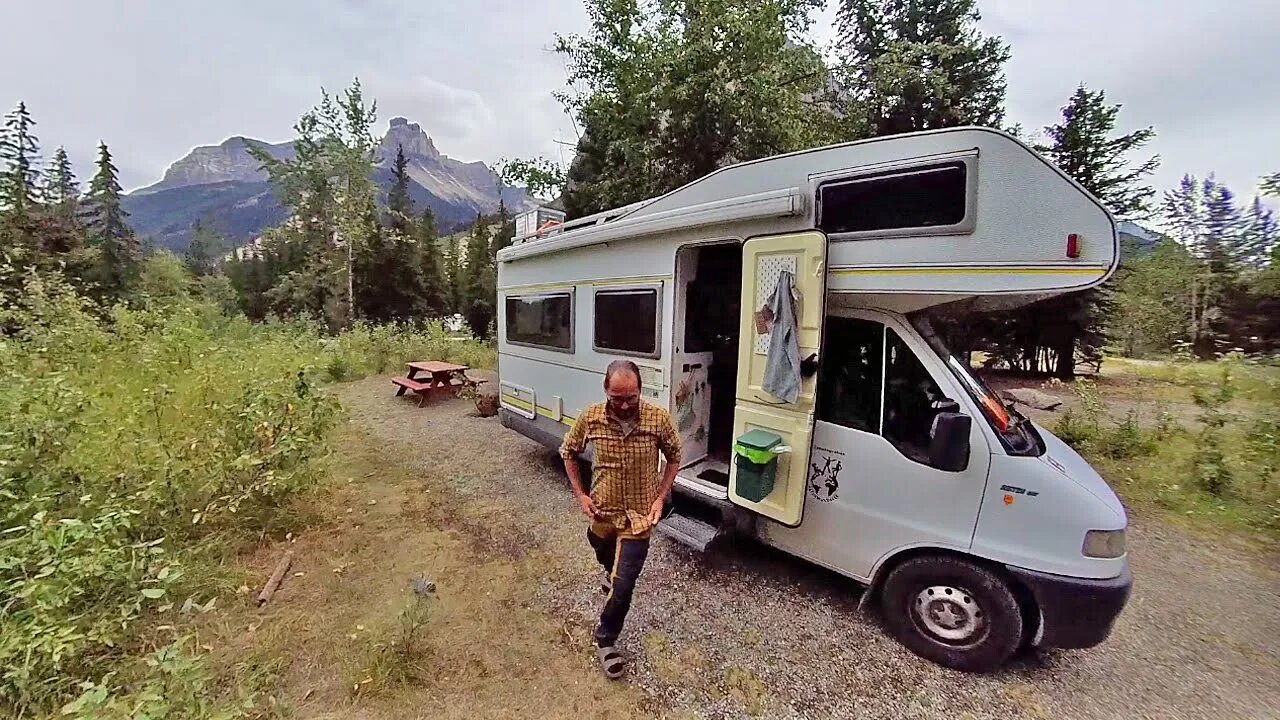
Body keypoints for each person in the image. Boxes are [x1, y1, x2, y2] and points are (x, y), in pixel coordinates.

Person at [559, 359, 682, 679]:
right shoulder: (591, 418)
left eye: (632, 397)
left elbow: (675, 456)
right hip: (603, 510)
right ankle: (606, 568)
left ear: (641, 390)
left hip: (640, 517)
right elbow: (569, 452)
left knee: (624, 584)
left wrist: (660, 496)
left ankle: (605, 639)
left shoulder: (658, 419)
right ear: (605, 390)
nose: (625, 405)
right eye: (617, 398)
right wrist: (580, 495)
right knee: (598, 542)